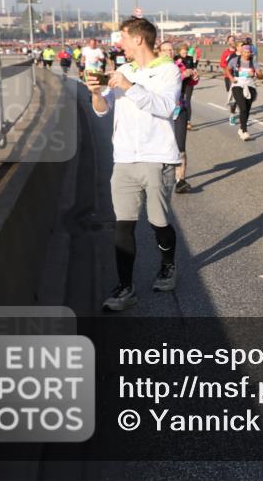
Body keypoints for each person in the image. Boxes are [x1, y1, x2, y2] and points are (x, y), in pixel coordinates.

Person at [86, 17, 182, 311]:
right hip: (125, 159)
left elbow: (166, 108)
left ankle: (168, 265)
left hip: (157, 158)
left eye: (123, 38)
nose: (119, 44)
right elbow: (103, 111)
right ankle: (126, 287)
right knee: (123, 225)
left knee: (159, 223)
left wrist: (129, 86)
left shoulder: (168, 72)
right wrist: (94, 93)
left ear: (138, 39)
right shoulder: (122, 70)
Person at [161, 41, 196, 193]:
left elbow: (191, 82)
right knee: (163, 144)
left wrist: (193, 76)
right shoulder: (155, 69)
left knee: (180, 145)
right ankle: (161, 176)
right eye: (165, 50)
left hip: (179, 108)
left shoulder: (180, 65)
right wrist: (182, 76)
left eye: (170, 50)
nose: (168, 52)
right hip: (160, 110)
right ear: (159, 52)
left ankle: (181, 180)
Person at [228, 42, 258, 140]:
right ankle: (245, 131)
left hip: (250, 86)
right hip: (237, 85)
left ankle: (241, 128)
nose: (247, 54)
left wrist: (257, 73)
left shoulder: (253, 62)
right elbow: (227, 70)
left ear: (250, 53)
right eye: (245, 52)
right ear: (242, 52)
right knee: (243, 107)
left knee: (247, 109)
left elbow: (260, 75)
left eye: (248, 52)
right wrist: (231, 77)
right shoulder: (234, 61)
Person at [174, 43, 198, 131]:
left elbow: (194, 70)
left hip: (188, 82)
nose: (185, 54)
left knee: (187, 101)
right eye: (183, 52)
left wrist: (195, 75)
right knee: (178, 100)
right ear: (179, 51)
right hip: (179, 82)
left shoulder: (190, 59)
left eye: (186, 52)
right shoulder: (175, 58)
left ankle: (188, 122)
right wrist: (177, 63)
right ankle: (175, 118)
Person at [220, 37, 239, 125]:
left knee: (238, 96)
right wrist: (229, 66)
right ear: (228, 42)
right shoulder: (226, 53)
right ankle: (232, 115)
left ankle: (235, 110)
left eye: (233, 40)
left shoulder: (239, 52)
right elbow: (222, 64)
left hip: (239, 77)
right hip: (228, 77)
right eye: (231, 40)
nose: (232, 42)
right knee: (233, 96)